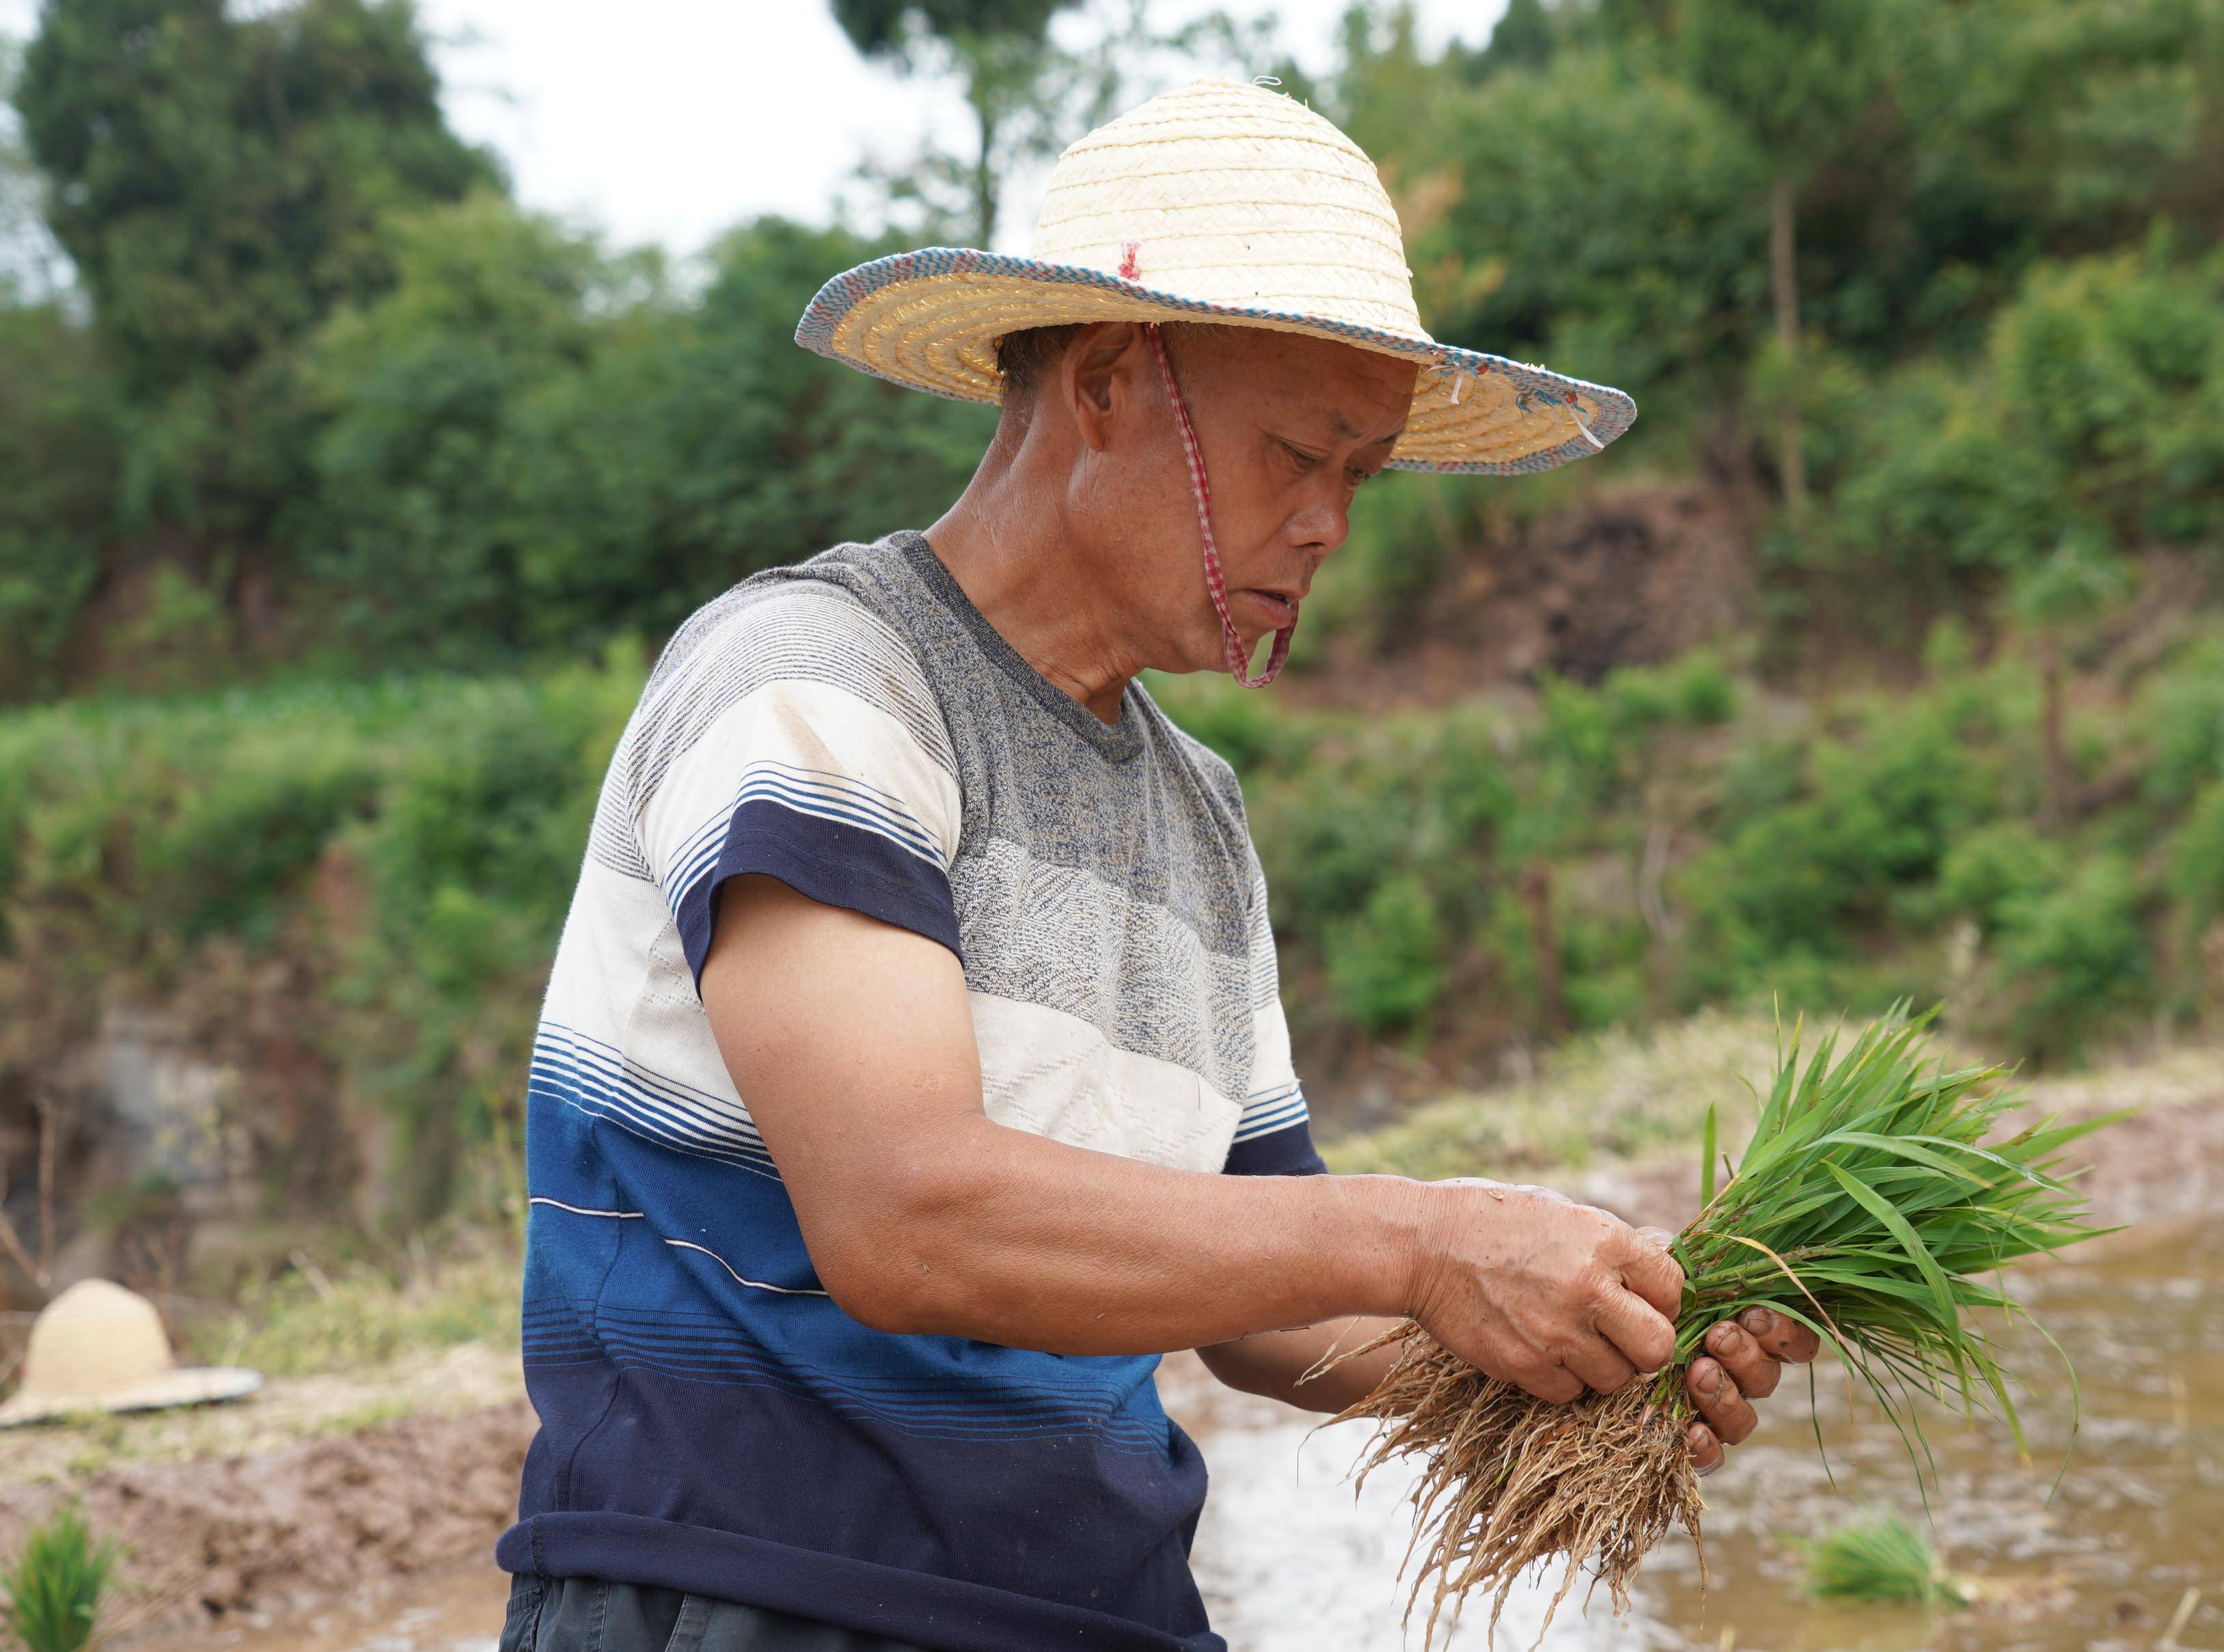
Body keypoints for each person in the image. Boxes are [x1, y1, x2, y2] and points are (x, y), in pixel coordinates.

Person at [495, 79, 1819, 1652]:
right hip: (761, 1599)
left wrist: (1591, 1346)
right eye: (1294, 456)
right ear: (1111, 381)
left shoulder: (1197, 817)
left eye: (1361, 477)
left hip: (1097, 1610)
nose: (1329, 526)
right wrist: (1424, 1237)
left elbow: (1271, 1307)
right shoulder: (820, 682)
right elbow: (905, 1217)